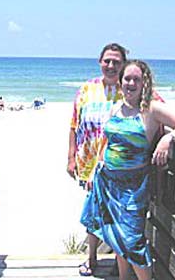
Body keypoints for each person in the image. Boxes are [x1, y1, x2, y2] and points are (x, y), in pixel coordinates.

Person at [81, 60, 175, 280]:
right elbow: (107, 141)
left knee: (133, 241)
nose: (131, 83)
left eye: (137, 79)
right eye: (127, 79)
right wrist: (96, 166)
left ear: (145, 82)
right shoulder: (116, 106)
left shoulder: (151, 109)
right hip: (107, 184)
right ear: (120, 81)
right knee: (116, 237)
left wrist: (167, 139)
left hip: (133, 188)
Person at [67, 43, 128, 276]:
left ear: (124, 65)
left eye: (116, 62)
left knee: (116, 213)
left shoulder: (131, 88)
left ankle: (117, 260)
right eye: (107, 61)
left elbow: (155, 107)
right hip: (90, 165)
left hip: (119, 166)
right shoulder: (86, 89)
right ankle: (91, 257)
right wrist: (70, 157)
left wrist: (166, 137)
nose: (111, 66)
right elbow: (73, 125)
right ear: (100, 62)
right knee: (94, 211)